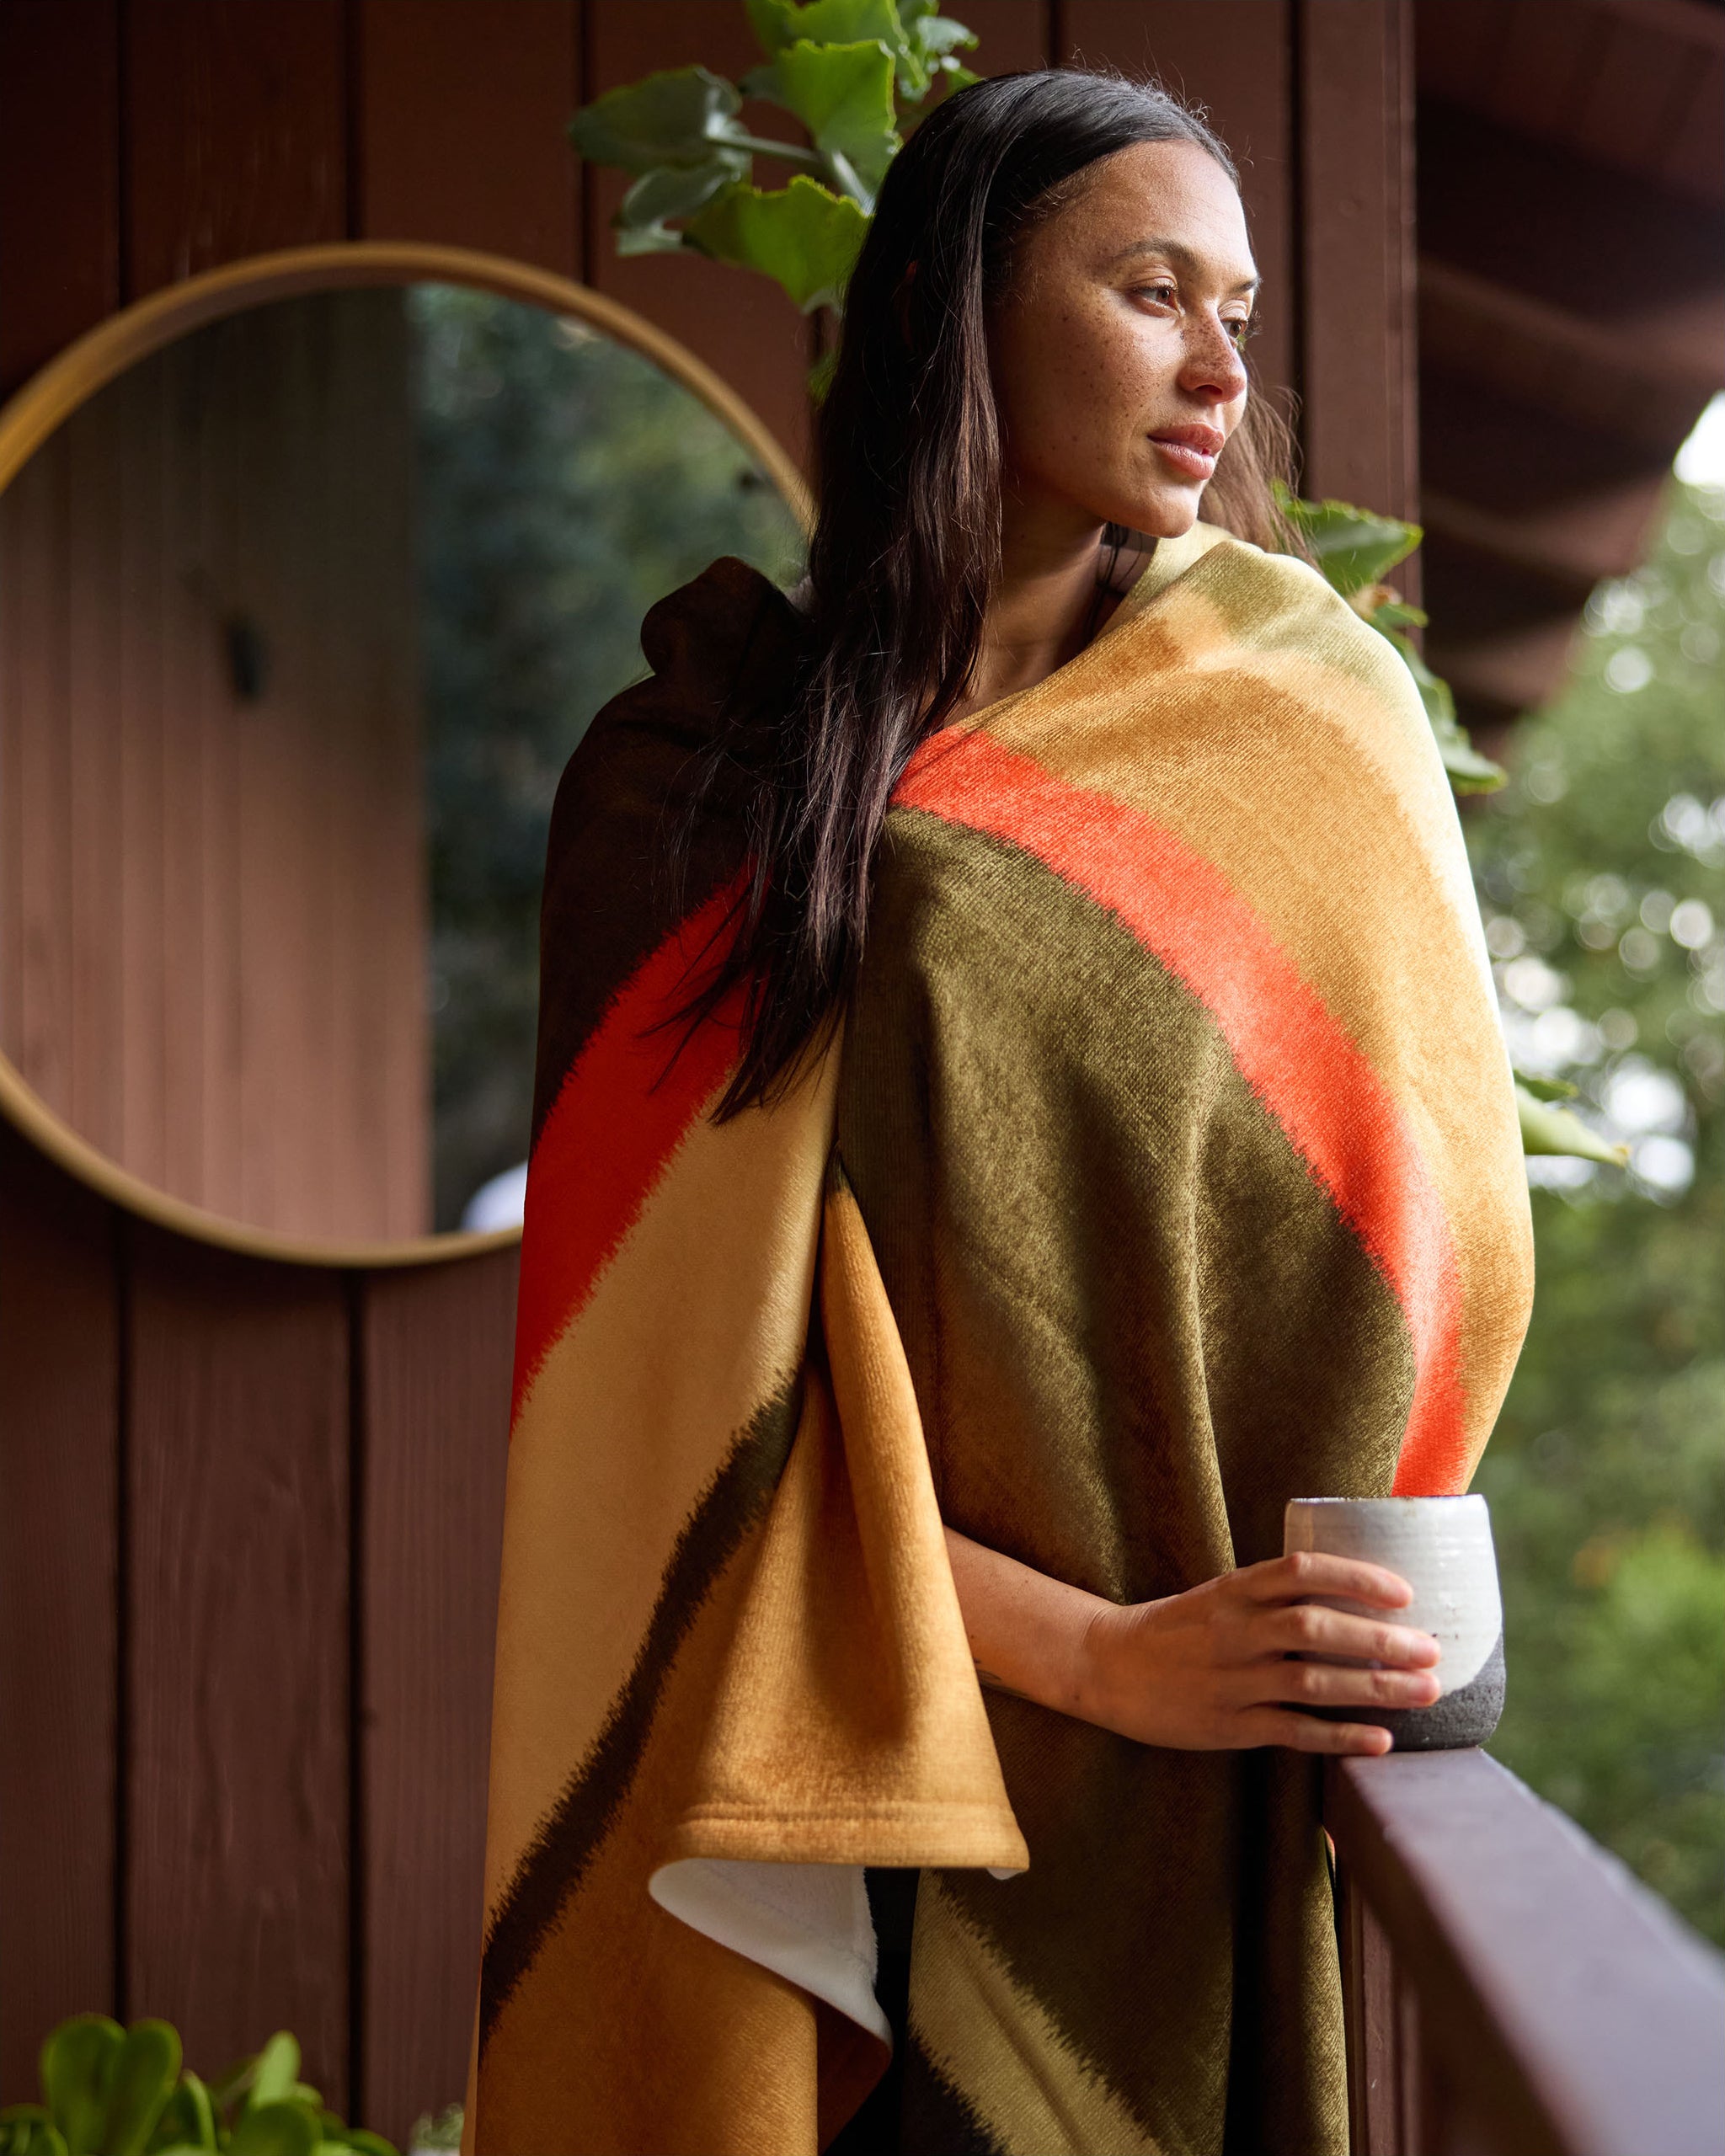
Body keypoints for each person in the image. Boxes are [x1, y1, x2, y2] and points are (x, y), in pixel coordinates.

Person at [468, 70, 1533, 2156]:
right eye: (1150, 292)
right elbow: (660, 1401)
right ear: (948, 307)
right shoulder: (692, 779)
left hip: (1188, 1777)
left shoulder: (1299, 718)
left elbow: (1432, 1237)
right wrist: (1098, 1653)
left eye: (1236, 310)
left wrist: (1234, 1630)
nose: (1221, 366)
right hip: (811, 1762)